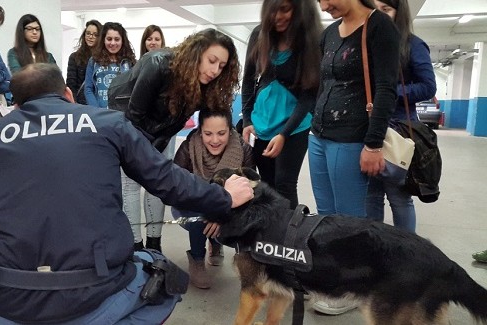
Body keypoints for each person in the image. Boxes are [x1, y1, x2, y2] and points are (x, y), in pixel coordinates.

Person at [0, 63, 254, 325]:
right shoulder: (107, 122)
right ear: (69, 95)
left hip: (9, 298)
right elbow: (167, 181)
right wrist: (225, 197)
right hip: (93, 292)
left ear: (18, 105)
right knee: (164, 277)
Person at [108, 28, 240, 252]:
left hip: (159, 130)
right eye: (212, 61)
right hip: (126, 122)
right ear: (196, 53)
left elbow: (177, 124)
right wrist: (145, 156)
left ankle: (154, 245)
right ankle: (136, 248)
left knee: (156, 185)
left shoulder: (204, 84)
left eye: (221, 66)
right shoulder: (157, 63)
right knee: (130, 185)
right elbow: (134, 117)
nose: (215, 70)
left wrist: (156, 153)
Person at [310, 0, 400, 315]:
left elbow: (387, 88)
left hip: (350, 139)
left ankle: (353, 288)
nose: (323, 7)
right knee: (326, 217)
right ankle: (333, 277)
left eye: (327, 0)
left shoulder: (379, 26)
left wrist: (373, 144)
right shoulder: (330, 32)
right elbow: (322, 84)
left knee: (349, 221)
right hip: (318, 137)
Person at [241, 0, 321, 209]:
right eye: (273, 10)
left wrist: (285, 133)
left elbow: (309, 95)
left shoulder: (307, 41)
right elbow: (248, 80)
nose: (278, 16)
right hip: (262, 125)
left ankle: (287, 239)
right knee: (265, 187)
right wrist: (247, 119)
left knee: (285, 186)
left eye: (285, 9)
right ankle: (269, 238)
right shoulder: (260, 35)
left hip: (294, 127)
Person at [365, 0, 436, 233]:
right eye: (376, 10)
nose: (380, 15)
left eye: (387, 10)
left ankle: (407, 248)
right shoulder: (366, 45)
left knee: (398, 196)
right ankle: (374, 246)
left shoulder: (413, 45)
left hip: (400, 128)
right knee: (372, 194)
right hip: (368, 126)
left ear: (399, 12)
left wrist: (387, 92)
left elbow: (428, 86)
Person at [173, 108, 255, 289]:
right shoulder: (188, 147)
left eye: (221, 133)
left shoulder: (244, 150)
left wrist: (222, 213)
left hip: (230, 208)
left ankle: (217, 242)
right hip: (192, 206)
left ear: (230, 130)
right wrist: (211, 207)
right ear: (199, 130)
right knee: (200, 216)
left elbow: (249, 193)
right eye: (208, 134)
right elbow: (176, 190)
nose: (215, 140)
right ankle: (196, 257)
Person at [84, 22, 135, 108]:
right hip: (99, 113)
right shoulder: (93, 60)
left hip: (122, 113)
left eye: (117, 39)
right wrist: (96, 110)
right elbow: (88, 89)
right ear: (103, 40)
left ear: (122, 41)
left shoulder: (129, 62)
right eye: (109, 39)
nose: (113, 43)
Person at [66, 19, 102, 104]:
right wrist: (74, 103)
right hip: (80, 103)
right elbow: (71, 84)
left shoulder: (103, 58)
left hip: (99, 102)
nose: (90, 37)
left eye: (95, 35)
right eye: (88, 33)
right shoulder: (75, 57)